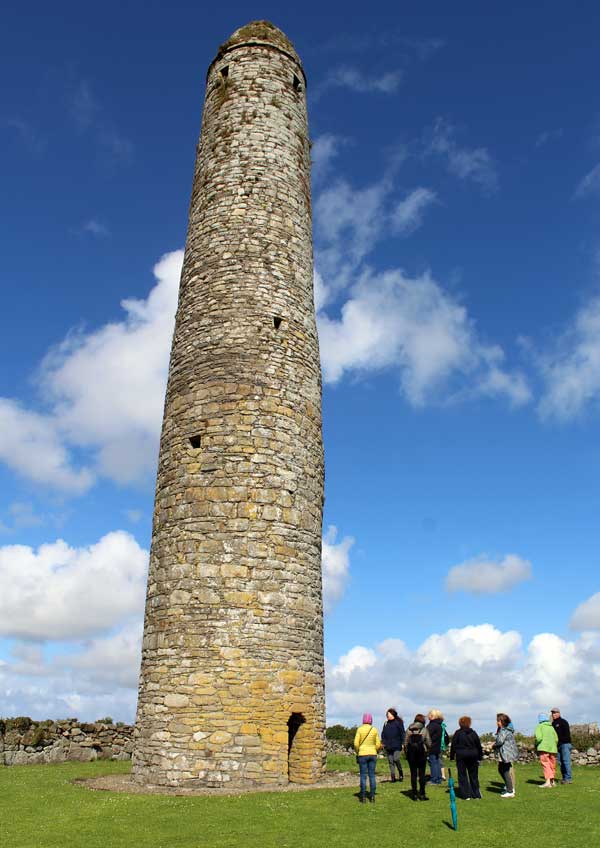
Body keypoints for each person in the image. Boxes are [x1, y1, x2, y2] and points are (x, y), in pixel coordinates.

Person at [449, 716, 483, 800]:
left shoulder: (457, 733)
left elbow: (453, 745)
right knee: (473, 775)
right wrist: (480, 756)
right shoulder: (473, 733)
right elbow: (478, 745)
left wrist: (452, 756)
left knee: (462, 775)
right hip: (473, 755)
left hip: (461, 755)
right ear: (469, 723)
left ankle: (466, 795)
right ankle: (476, 794)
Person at [354, 712, 382, 803]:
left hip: (362, 754)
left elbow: (355, 743)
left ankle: (363, 797)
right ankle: (372, 796)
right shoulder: (374, 730)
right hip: (373, 754)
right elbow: (378, 744)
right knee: (372, 775)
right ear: (371, 720)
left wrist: (358, 751)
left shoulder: (360, 729)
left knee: (363, 776)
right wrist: (375, 749)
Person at [403, 713, 431, 800]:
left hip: (412, 755)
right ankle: (422, 793)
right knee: (422, 774)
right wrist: (428, 750)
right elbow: (429, 742)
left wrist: (407, 753)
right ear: (423, 721)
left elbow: (405, 743)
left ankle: (414, 794)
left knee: (413, 774)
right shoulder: (424, 730)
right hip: (422, 754)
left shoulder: (408, 729)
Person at [493, 713, 519, 798]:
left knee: (505, 770)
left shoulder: (503, 730)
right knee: (501, 769)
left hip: (506, 753)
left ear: (502, 721)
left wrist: (493, 745)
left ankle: (510, 790)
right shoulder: (506, 729)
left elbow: (500, 741)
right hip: (507, 753)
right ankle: (509, 786)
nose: (497, 722)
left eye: (498, 721)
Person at [381, 708, 405, 782]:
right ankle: (393, 777)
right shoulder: (385, 723)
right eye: (387, 714)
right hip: (388, 746)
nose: (387, 716)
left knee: (396, 759)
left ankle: (400, 773)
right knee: (391, 761)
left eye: (389, 714)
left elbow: (402, 733)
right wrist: (383, 742)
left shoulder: (398, 723)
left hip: (397, 745)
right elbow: (383, 734)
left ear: (393, 715)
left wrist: (403, 743)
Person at [535, 712, 558, 788]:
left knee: (545, 764)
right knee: (552, 765)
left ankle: (548, 782)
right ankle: (552, 781)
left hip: (543, 748)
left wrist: (536, 744)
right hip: (553, 749)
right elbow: (556, 739)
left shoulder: (540, 726)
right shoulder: (551, 727)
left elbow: (539, 738)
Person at [426, 709, 448, 786]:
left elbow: (427, 736)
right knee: (437, 763)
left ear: (432, 716)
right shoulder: (439, 725)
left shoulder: (432, 725)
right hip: (437, 746)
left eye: (429, 715)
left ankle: (434, 779)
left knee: (433, 763)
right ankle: (438, 778)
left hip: (432, 747)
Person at [551, 708, 572, 784]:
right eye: (553, 713)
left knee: (566, 761)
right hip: (558, 745)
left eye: (555, 713)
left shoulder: (563, 722)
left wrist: (559, 740)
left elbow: (567, 735)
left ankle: (568, 778)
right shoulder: (553, 724)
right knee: (560, 762)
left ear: (559, 713)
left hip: (565, 744)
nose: (554, 714)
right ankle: (564, 778)